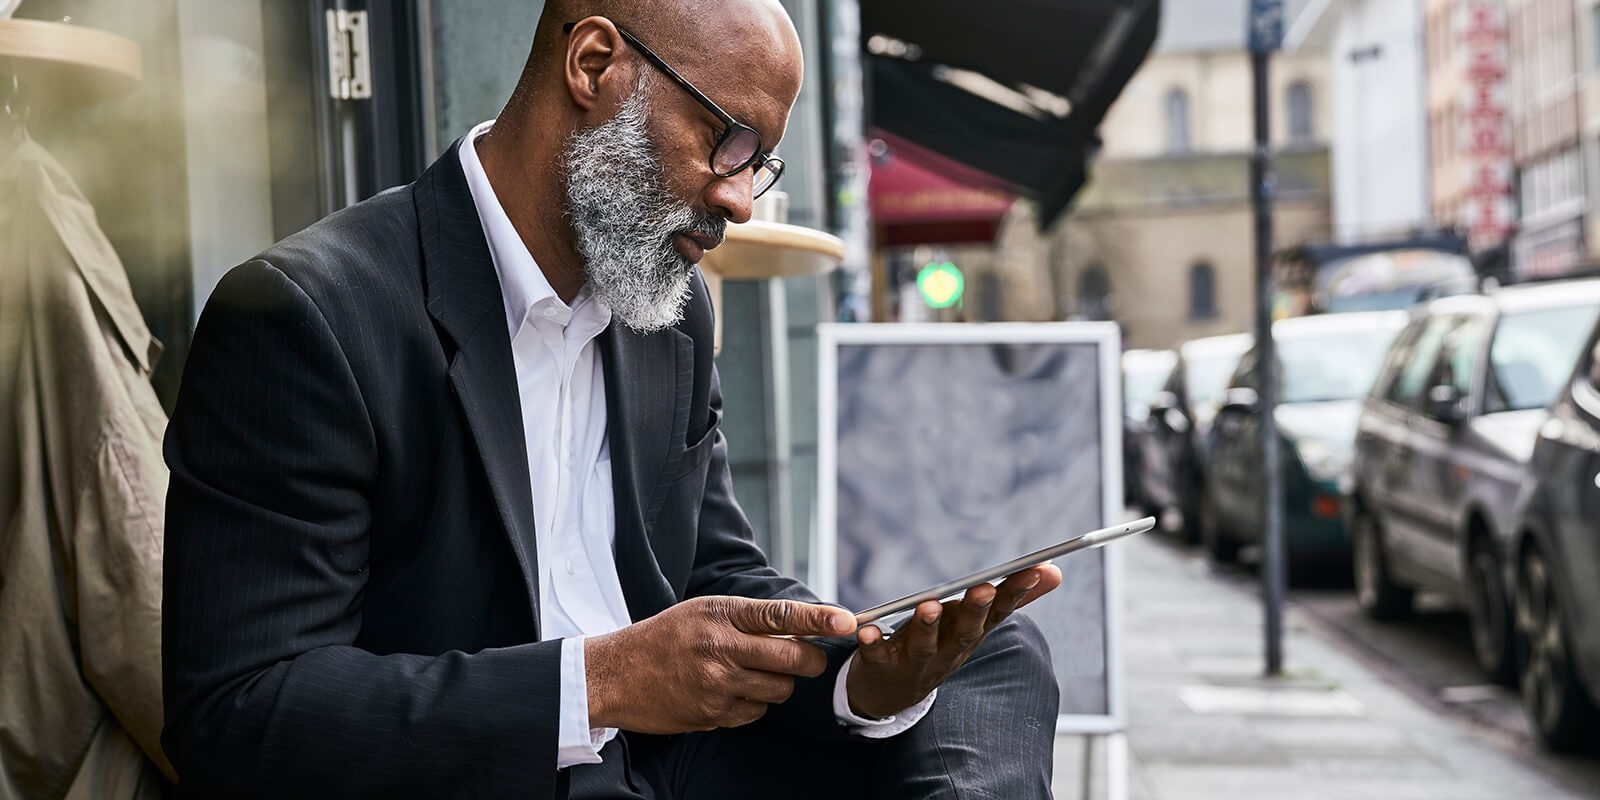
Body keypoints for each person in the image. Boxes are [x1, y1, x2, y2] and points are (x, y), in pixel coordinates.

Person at [161, 1, 1063, 797]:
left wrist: (867, 680)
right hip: (489, 767)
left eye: (763, 165)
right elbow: (240, 715)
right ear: (593, 65)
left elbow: (712, 575)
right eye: (730, 141)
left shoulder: (660, 312)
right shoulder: (308, 314)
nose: (741, 200)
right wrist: (599, 685)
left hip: (672, 762)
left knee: (993, 661)